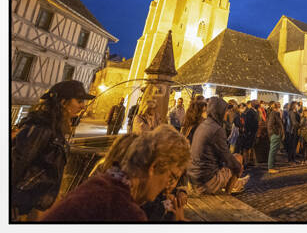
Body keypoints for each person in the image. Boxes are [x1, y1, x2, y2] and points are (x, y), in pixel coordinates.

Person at [42, 125, 190, 222]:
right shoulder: (124, 211)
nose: (168, 186)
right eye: (171, 177)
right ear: (154, 167)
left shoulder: (100, 183)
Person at [11, 80, 92, 221]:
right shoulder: (41, 126)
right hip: (23, 202)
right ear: (63, 102)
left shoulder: (56, 127)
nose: (82, 106)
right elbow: (17, 162)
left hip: (37, 202)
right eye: (79, 101)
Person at [187, 97, 249, 195]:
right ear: (219, 111)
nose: (227, 113)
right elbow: (226, 156)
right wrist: (239, 168)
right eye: (225, 110)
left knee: (234, 162)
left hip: (193, 176)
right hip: (206, 181)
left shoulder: (203, 125)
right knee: (238, 159)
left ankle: (236, 184)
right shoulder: (217, 129)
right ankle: (228, 194)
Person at [267, 101, 285, 173]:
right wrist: (274, 133)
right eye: (279, 106)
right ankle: (270, 167)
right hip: (275, 134)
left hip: (277, 134)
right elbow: (270, 125)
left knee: (274, 151)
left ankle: (272, 166)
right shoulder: (273, 113)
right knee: (273, 151)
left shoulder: (276, 113)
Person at [240, 101, 259, 167]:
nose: (258, 105)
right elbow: (247, 123)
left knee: (250, 147)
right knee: (247, 148)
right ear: (253, 105)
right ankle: (245, 162)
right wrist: (248, 132)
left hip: (253, 132)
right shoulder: (250, 112)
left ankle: (249, 161)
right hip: (249, 133)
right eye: (257, 104)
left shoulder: (255, 111)